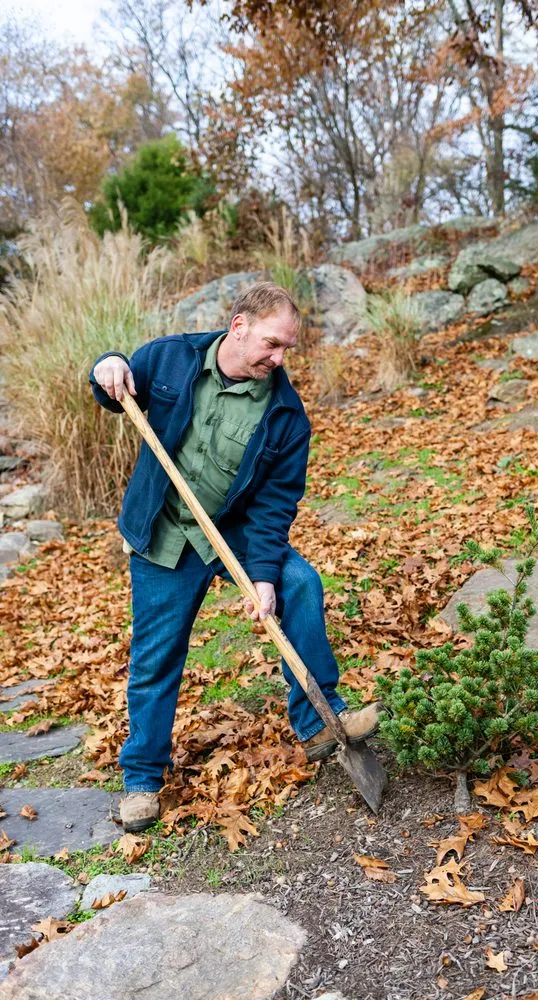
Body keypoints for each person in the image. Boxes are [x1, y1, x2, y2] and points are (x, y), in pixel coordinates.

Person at [90, 282, 381, 832]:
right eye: (272, 344)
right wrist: (106, 365)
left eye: (287, 348)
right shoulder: (171, 359)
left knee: (299, 584)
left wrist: (264, 575)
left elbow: (275, 505)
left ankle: (321, 719)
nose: (279, 359)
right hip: (164, 534)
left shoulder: (286, 416)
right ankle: (142, 779)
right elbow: (113, 387)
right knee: (156, 658)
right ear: (239, 326)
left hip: (233, 532)